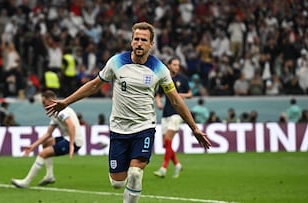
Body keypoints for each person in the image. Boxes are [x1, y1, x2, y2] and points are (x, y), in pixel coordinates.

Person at [45, 22, 211, 203]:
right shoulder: (116, 62)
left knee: (135, 173)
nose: (139, 43)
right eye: (136, 39)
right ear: (132, 41)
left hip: (144, 127)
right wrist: (66, 102)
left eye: (144, 40)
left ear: (151, 44)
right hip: (119, 129)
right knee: (117, 182)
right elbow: (94, 85)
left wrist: (194, 127)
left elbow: (176, 100)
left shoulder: (160, 69)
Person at [11, 90, 83, 188]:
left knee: (43, 154)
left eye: (44, 102)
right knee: (46, 144)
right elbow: (48, 133)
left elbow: (71, 126)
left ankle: (26, 182)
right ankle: (49, 176)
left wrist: (71, 145)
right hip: (67, 138)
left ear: (51, 101)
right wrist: (32, 146)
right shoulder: (55, 112)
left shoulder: (62, 110)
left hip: (74, 141)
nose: (43, 105)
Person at [153, 56, 192, 178]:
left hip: (177, 113)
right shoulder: (164, 78)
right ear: (169, 65)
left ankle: (163, 168)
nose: (177, 67)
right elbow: (158, 94)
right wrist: (158, 102)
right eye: (174, 64)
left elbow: (190, 94)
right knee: (166, 144)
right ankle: (177, 165)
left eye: (178, 65)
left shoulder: (183, 79)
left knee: (168, 139)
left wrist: (180, 94)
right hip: (166, 113)